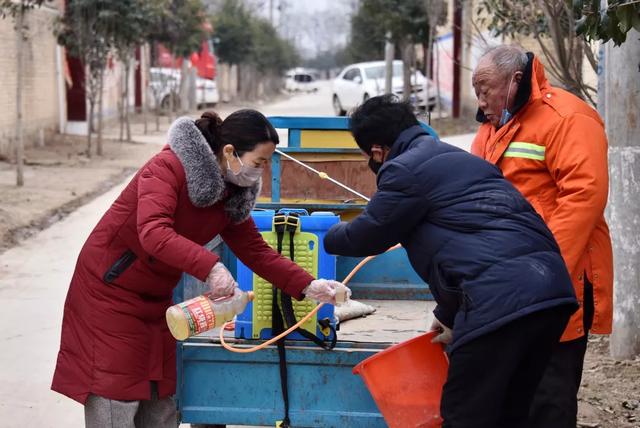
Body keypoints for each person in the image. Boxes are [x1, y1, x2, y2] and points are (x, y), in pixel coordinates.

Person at [51, 110, 349, 428]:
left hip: (155, 298)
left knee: (160, 399)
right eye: (259, 162)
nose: (261, 172)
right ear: (230, 152)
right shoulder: (167, 169)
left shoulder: (230, 193)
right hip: (109, 291)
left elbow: (258, 253)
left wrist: (308, 286)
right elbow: (153, 231)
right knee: (116, 396)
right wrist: (212, 268)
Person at [323, 95, 578, 428]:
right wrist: (447, 314)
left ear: (376, 150)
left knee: (464, 414)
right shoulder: (464, 161)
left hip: (500, 303)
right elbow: (474, 240)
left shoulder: (404, 169)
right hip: (550, 297)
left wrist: (326, 233)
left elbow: (369, 234)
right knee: (512, 414)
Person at [470, 45, 613, 428]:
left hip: (554, 282)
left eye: (486, 89)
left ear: (516, 81)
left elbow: (583, 198)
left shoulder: (568, 118)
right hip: (507, 284)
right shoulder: (491, 128)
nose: (480, 100)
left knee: (548, 395)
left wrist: (540, 273)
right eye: (476, 90)